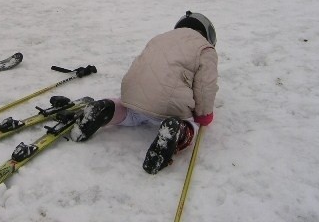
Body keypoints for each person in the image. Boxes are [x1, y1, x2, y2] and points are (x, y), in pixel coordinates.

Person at [71, 11, 218, 174]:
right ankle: (177, 130)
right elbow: (206, 87)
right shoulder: (205, 49)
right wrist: (204, 116)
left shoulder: (160, 38)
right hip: (168, 106)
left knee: (130, 113)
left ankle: (108, 109)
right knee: (192, 123)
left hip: (132, 94)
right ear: (208, 34)